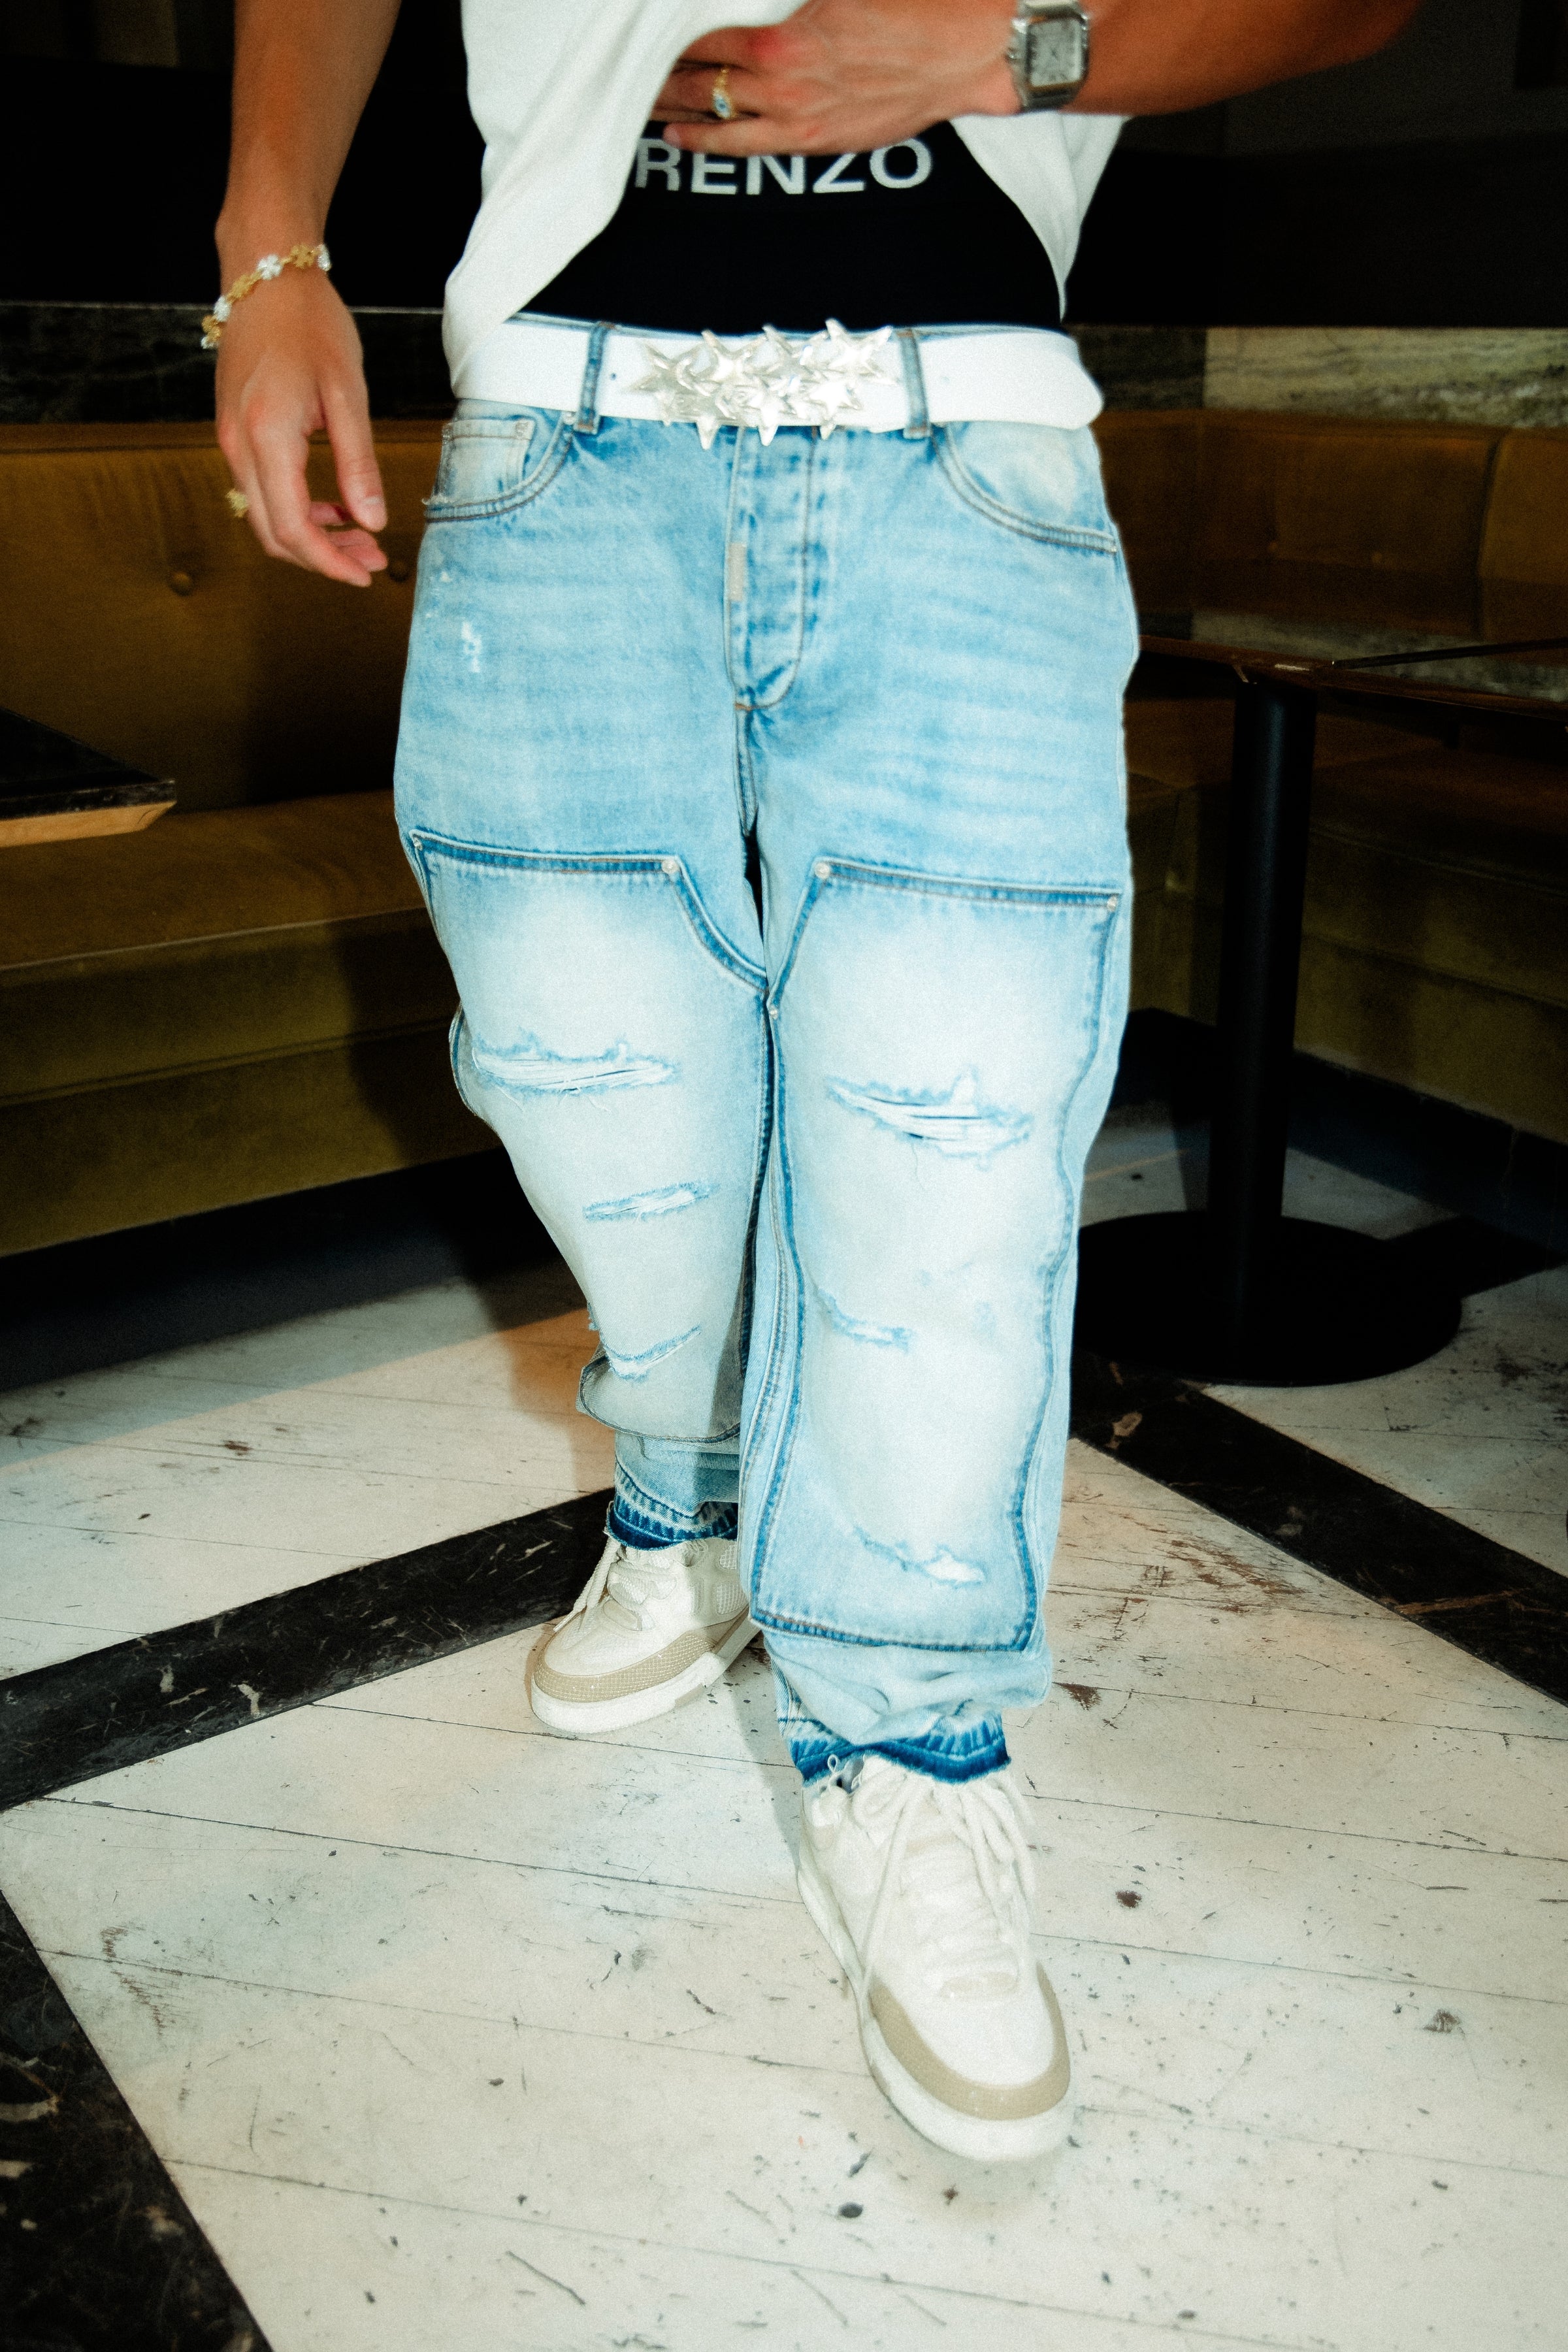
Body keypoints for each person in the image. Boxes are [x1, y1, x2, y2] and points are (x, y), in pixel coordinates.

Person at [215, 0, 1418, 2162]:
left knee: (951, 1136)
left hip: (963, 442)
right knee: (577, 1069)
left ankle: (915, 1749)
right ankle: (690, 1503)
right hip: (563, 435)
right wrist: (268, 248)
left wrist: (1016, 50)